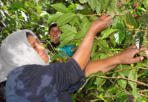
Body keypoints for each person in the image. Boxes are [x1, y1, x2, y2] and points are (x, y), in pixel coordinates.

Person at [0, 15, 146, 102]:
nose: (42, 48)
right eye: (34, 47)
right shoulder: (19, 78)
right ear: (16, 55)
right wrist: (92, 31)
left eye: (39, 43)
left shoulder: (36, 79)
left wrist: (119, 58)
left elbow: (83, 70)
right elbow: (71, 71)